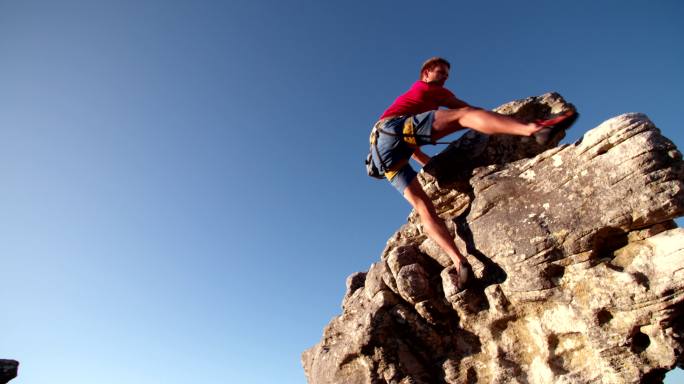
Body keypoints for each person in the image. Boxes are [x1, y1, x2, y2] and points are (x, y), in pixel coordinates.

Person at [370, 57, 574, 289]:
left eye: (447, 75)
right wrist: (494, 118)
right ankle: (534, 130)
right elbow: (466, 109)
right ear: (426, 73)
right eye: (441, 72)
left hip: (382, 152)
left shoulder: (412, 102)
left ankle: (459, 262)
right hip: (392, 129)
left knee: (424, 207)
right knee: (466, 115)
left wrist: (431, 165)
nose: (445, 78)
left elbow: (411, 148)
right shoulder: (430, 89)